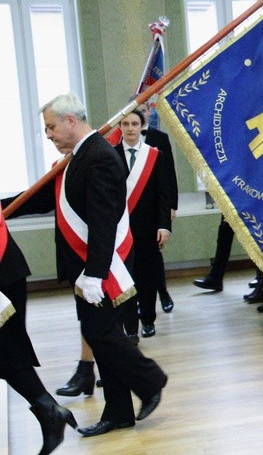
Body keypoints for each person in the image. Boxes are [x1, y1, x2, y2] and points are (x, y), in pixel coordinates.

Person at [4, 93, 168, 437]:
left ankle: (150, 380)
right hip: (84, 268)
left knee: (99, 332)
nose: (48, 134)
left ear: (70, 121)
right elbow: (42, 198)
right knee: (98, 332)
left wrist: (95, 274)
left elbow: (103, 221)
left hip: (100, 268)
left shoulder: (99, 157)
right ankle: (119, 411)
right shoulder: (76, 157)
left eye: (50, 126)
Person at [0, 204, 77, 454]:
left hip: (3, 272)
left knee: (8, 352)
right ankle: (51, 412)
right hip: (7, 269)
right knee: (8, 353)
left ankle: (51, 412)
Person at [115, 109, 172, 339]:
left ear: (142, 126)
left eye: (134, 124)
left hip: (148, 228)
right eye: (126, 124)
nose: (130, 128)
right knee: (126, 278)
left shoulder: (154, 155)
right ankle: (130, 327)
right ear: (120, 127)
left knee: (148, 277)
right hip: (120, 230)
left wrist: (164, 225)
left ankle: (148, 320)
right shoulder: (110, 155)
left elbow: (163, 194)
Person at [135, 100, 177, 313]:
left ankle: (163, 292)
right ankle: (141, 300)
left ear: (149, 112)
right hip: (134, 209)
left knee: (154, 255)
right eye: (137, 111)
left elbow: (169, 174)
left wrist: (172, 204)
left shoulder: (160, 138)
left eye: (144, 110)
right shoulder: (121, 140)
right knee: (139, 258)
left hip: (156, 207)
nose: (141, 115)